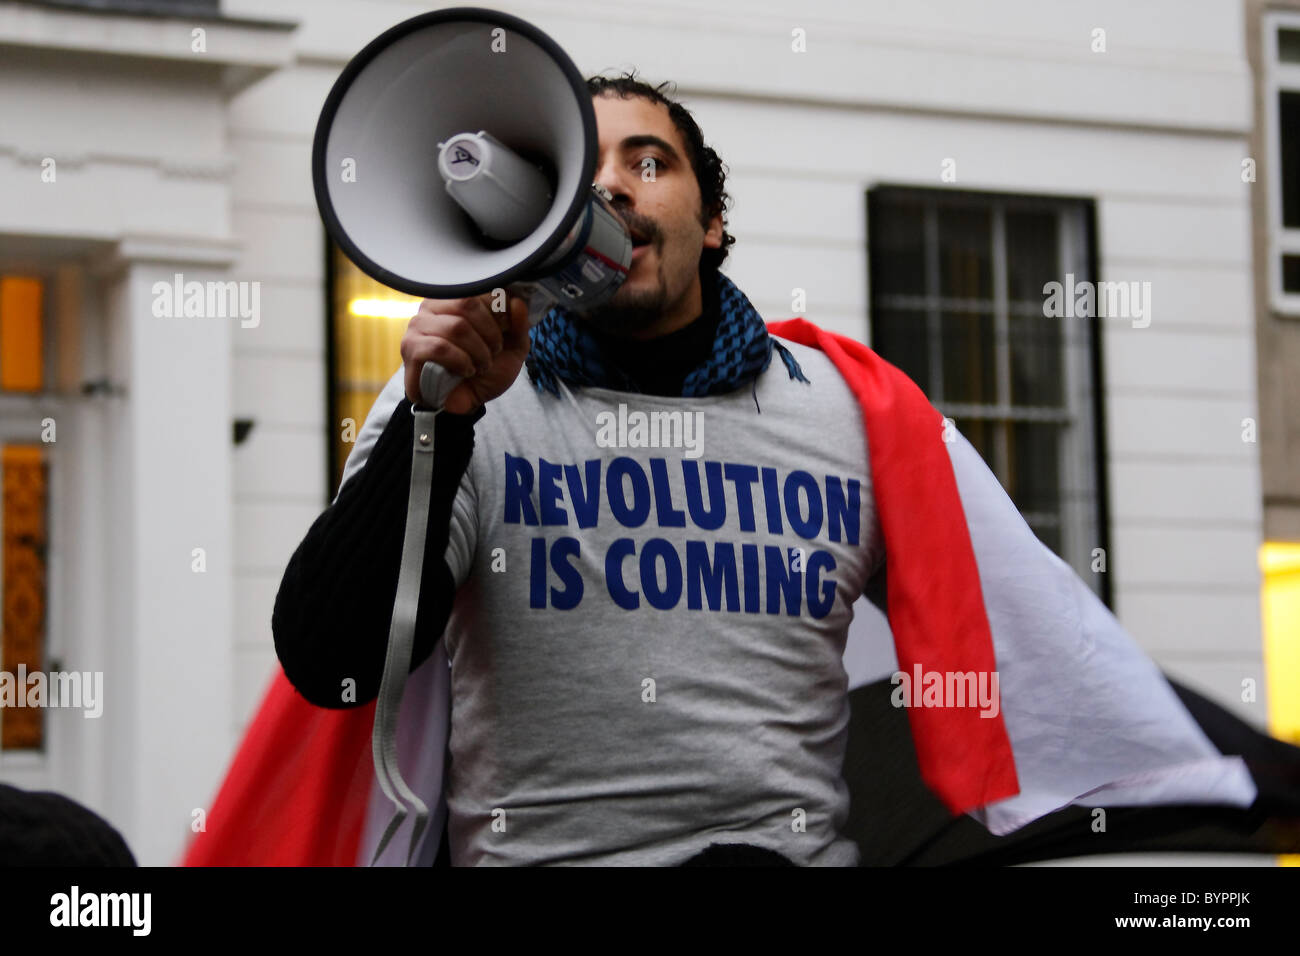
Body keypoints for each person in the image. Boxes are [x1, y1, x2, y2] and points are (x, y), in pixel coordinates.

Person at [272, 73, 884, 866]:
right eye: (577, 174)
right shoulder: (463, 394)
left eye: (649, 163)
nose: (609, 189)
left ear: (713, 222)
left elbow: (986, 620)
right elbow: (333, 661)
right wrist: (440, 419)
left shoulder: (846, 410)